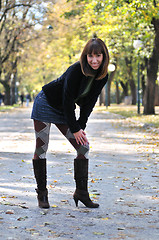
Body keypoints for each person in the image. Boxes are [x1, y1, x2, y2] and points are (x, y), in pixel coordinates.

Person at [31, 38, 109, 209]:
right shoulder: (76, 70)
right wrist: (74, 128)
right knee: (41, 148)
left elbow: (89, 103)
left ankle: (81, 193)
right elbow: (67, 100)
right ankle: (42, 194)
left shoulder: (102, 75)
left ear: (104, 56)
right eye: (90, 56)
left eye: (98, 55)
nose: (94, 60)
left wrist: (80, 127)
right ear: (85, 56)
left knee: (83, 147)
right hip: (46, 103)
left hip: (64, 109)